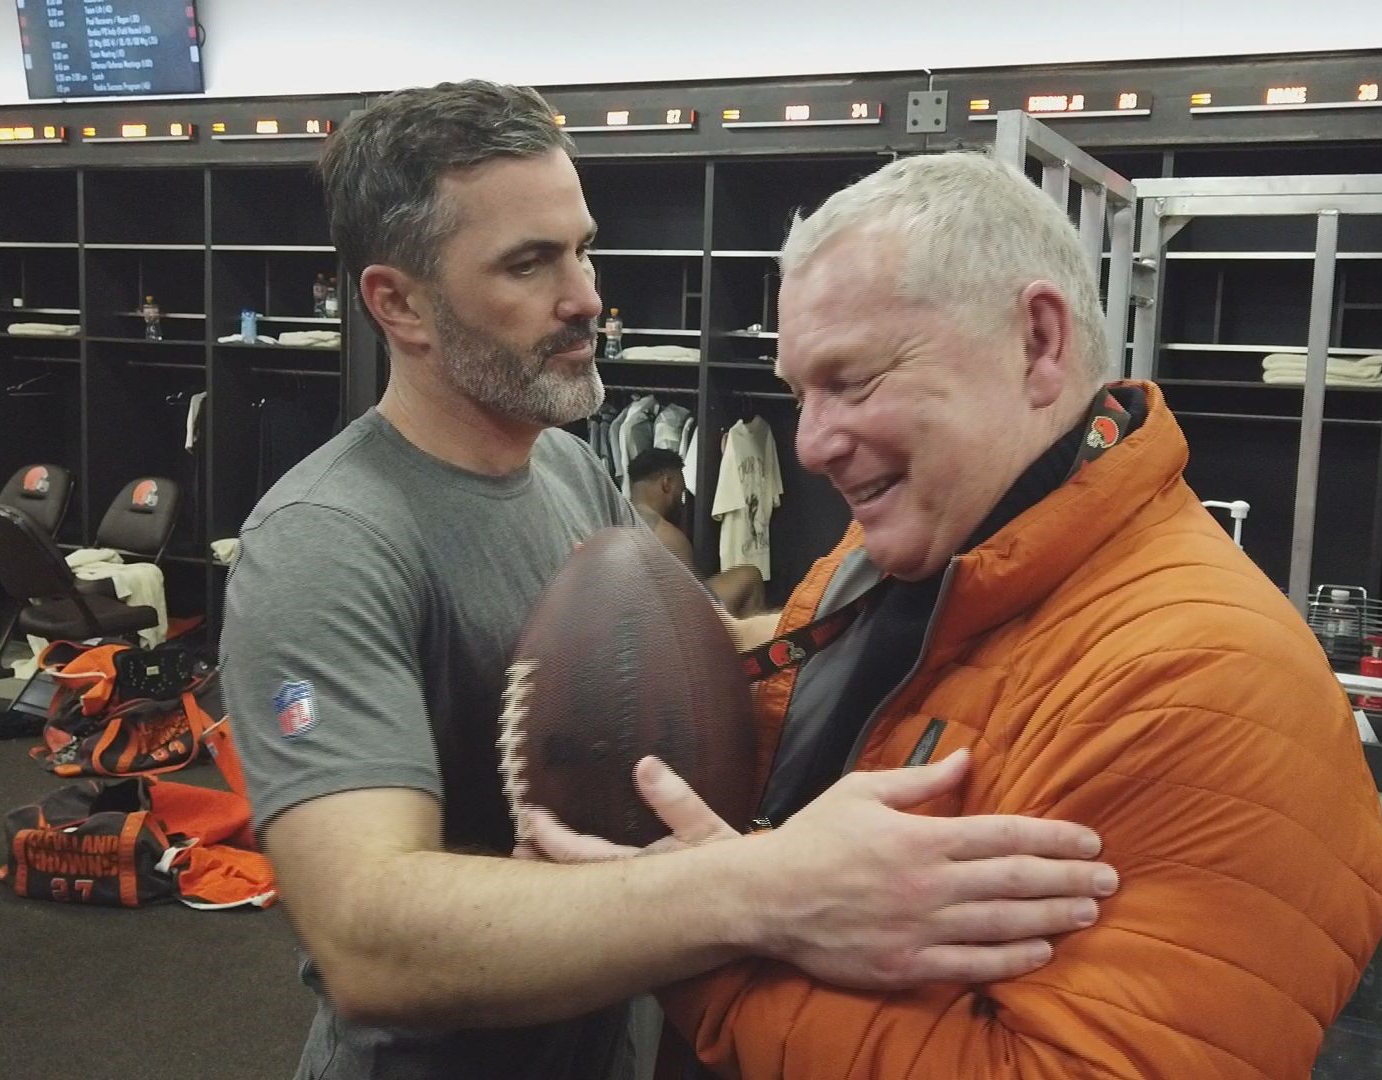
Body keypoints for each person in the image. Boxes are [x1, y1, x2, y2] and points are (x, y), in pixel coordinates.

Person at [217, 82, 1118, 1080]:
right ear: (398, 303)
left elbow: (674, 651)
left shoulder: (561, 466)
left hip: (608, 1037)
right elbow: (367, 937)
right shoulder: (324, 543)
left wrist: (965, 613)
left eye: (582, 248)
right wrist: (767, 888)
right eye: (530, 264)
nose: (587, 297)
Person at [528, 152, 1382, 1078]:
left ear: (1038, 343)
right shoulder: (881, 570)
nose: (812, 445)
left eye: (853, 381)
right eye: (797, 395)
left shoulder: (1204, 678)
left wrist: (699, 937)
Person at [628, 446, 766, 617]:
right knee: (749, 575)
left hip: (630, 624)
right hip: (664, 626)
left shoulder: (613, 522)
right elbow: (692, 610)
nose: (682, 499)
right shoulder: (667, 537)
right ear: (666, 483)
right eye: (682, 490)